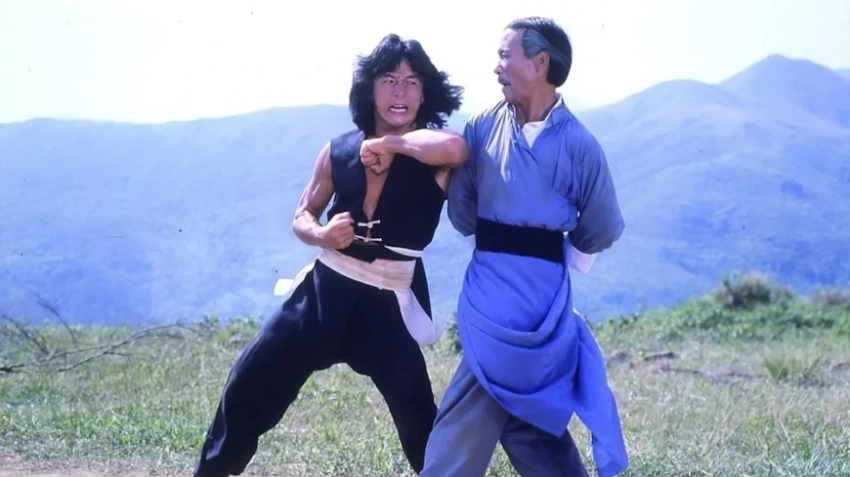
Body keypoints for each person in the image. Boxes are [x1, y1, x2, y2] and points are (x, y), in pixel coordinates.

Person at [192, 33, 466, 477]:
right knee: (249, 380)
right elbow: (302, 215)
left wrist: (391, 145)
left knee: (417, 415)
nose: (399, 91)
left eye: (412, 81)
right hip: (326, 290)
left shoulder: (433, 152)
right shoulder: (338, 150)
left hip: (389, 302)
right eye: (389, 79)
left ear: (424, 92)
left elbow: (458, 148)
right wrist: (322, 234)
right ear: (370, 89)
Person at [419, 17, 630, 477]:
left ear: (540, 63)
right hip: (490, 290)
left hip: (543, 300)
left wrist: (551, 253)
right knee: (514, 400)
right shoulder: (482, 127)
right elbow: (463, 204)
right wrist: (498, 245)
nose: (496, 67)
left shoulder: (580, 144)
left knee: (523, 413)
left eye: (504, 56)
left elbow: (603, 223)